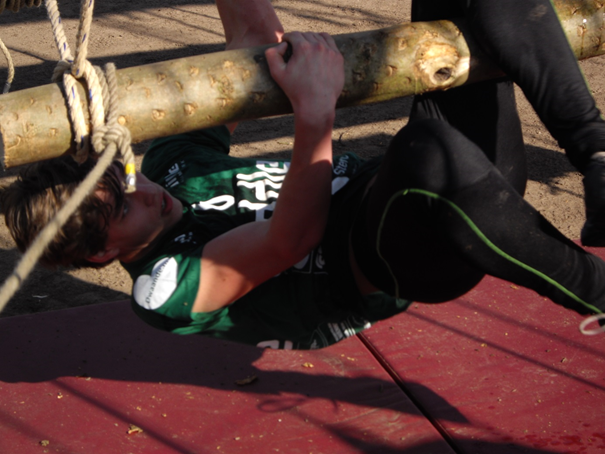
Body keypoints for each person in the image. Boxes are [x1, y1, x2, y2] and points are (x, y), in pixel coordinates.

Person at [1, 0, 604, 350]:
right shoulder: (163, 287)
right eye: (126, 208)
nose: (148, 192)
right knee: (429, 150)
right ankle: (596, 290)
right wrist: (315, 109)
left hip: (454, 185)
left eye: (128, 178)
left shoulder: (172, 170)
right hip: (394, 255)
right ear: (103, 254)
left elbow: (254, 41)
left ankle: (598, 157)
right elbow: (290, 240)